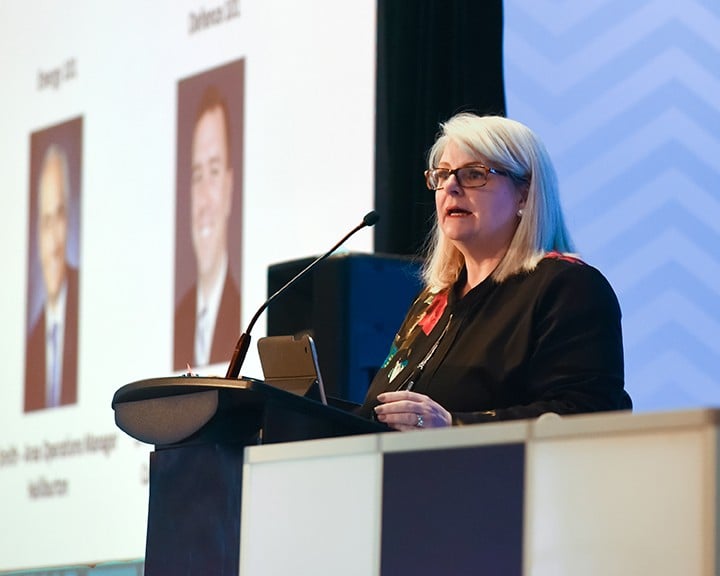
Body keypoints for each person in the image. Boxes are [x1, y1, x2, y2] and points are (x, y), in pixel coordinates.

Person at [360, 113, 632, 430]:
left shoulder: (568, 287)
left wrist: (453, 426)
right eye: (442, 174)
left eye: (474, 174)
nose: (451, 187)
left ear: (524, 194)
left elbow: (586, 413)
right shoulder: (432, 301)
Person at [174, 86, 240, 370]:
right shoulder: (179, 318)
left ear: (229, 186)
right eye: (197, 175)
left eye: (213, 172)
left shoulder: (245, 310)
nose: (203, 199)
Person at [25, 144, 79, 411]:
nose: (55, 242)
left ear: (68, 220)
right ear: (37, 233)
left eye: (59, 216)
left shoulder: (86, 305)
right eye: (46, 222)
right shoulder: (32, 341)